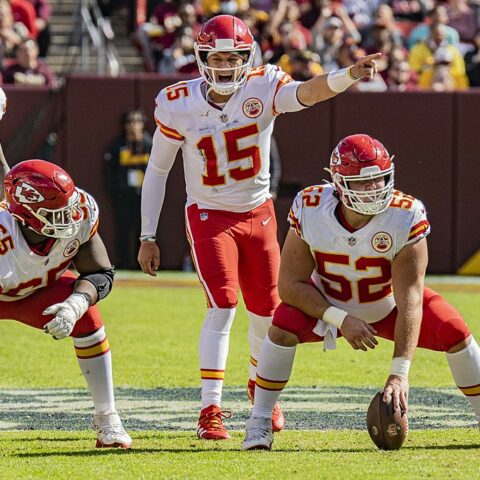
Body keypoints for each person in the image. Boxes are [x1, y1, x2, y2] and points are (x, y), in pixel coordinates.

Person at [138, 14, 381, 441]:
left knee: (267, 311)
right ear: (201, 59)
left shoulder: (262, 85)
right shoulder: (178, 102)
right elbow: (158, 170)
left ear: (247, 58)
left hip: (259, 213)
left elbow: (308, 92)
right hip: (210, 215)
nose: (228, 66)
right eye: (218, 58)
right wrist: (148, 235)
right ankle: (210, 408)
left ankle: (259, 388)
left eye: (235, 57)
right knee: (223, 306)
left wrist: (347, 75)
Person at [242, 134, 480, 450]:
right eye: (363, 182)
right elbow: (289, 287)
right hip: (327, 303)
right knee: (283, 324)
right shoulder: (311, 208)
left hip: (387, 304)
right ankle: (259, 420)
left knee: (455, 332)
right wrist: (340, 319)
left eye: (380, 179)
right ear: (339, 183)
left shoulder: (405, 214)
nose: (374, 188)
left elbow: (410, 298)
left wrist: (399, 374)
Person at [0, 113, 132, 448]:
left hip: (36, 293)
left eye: (68, 208)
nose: (68, 219)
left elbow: (100, 272)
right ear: (25, 213)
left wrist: (75, 304)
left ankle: (108, 419)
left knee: (89, 317)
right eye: (55, 213)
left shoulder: (80, 213)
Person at [105, 109, 152, 269]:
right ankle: (124, 263)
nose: (133, 125)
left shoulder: (149, 144)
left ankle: (142, 264)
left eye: (137, 121)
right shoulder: (117, 146)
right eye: (130, 121)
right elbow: (110, 172)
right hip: (123, 196)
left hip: (144, 197)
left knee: (143, 231)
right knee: (123, 229)